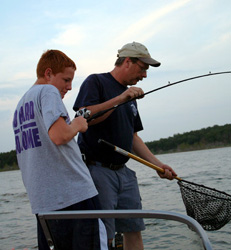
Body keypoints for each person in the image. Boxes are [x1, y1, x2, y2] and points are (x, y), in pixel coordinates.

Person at [73, 41, 177, 250]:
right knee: (105, 238)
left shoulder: (131, 97)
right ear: (128, 61)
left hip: (125, 174)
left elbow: (133, 138)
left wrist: (159, 165)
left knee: (134, 230)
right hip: (97, 171)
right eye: (143, 68)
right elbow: (84, 119)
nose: (145, 75)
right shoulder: (97, 82)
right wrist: (119, 98)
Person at [12, 50, 107, 250]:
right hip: (75, 196)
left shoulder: (20, 106)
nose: (69, 87)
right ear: (48, 74)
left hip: (43, 204)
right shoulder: (48, 91)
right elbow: (60, 136)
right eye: (66, 79)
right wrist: (79, 124)